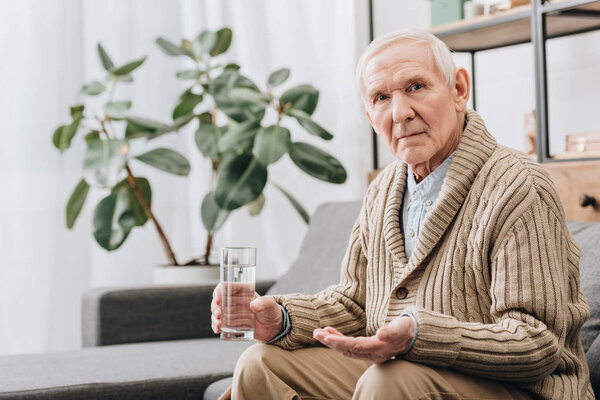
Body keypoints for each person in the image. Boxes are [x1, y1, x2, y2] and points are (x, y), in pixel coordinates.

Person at [211, 29, 594, 400]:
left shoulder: (519, 186)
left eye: (416, 87)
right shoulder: (383, 188)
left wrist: (418, 334)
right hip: (406, 372)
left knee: (390, 382)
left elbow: (536, 343)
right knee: (260, 362)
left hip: (518, 388)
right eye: (380, 97)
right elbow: (355, 304)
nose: (400, 113)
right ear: (369, 113)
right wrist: (281, 318)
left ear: (459, 90)